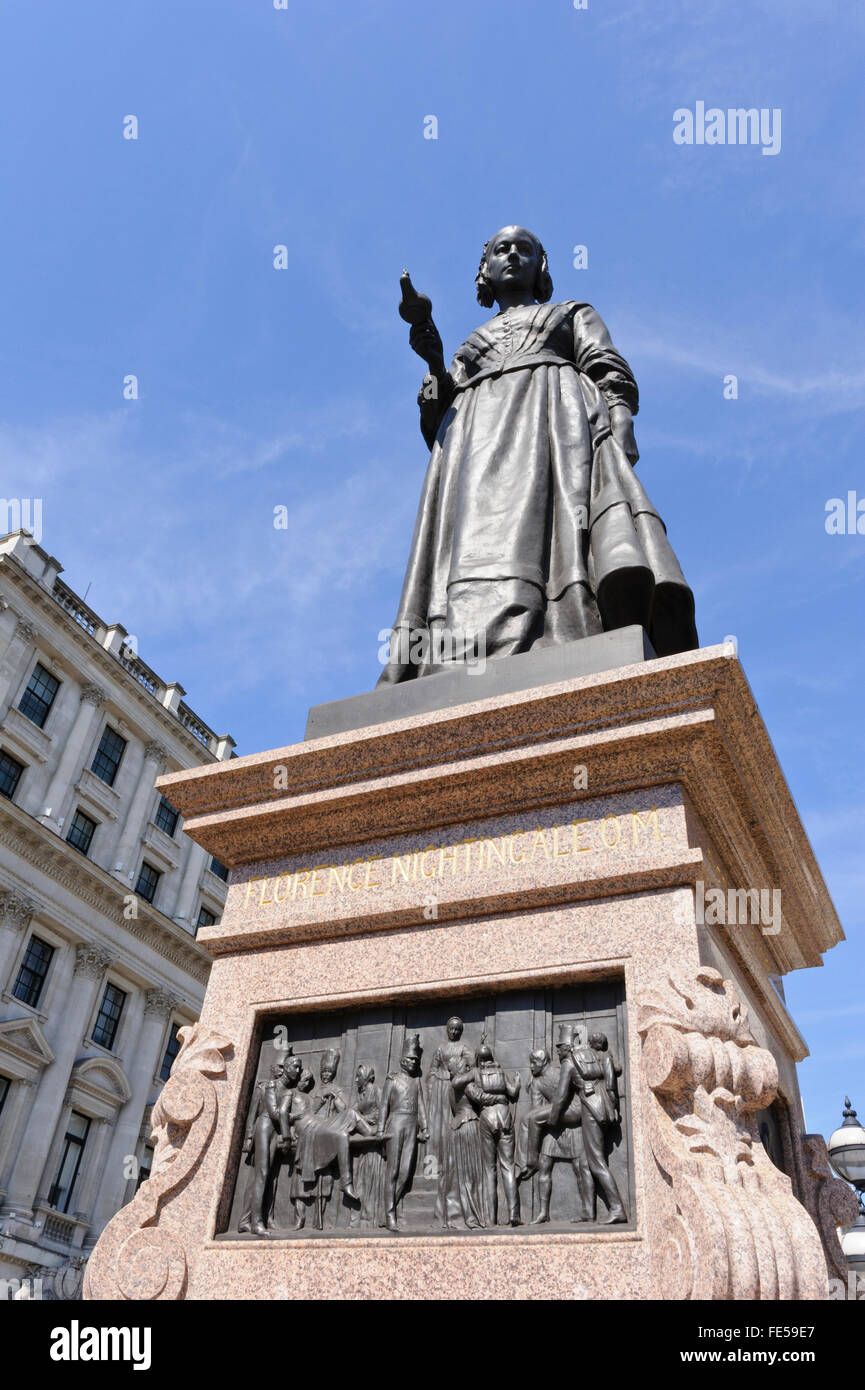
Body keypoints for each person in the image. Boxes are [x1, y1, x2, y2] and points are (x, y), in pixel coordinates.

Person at [378, 226, 697, 685]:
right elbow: (437, 428)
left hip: (553, 424)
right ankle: (460, 649)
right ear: (484, 270)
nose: (511, 256)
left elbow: (606, 366)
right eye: (500, 250)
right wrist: (434, 363)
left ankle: (557, 626)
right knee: (473, 544)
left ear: (540, 265)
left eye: (523, 250)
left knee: (552, 533)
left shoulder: (571, 313)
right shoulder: (471, 345)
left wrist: (621, 420)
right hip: (476, 441)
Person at [520, 1048, 593, 1224]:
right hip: (554, 1126)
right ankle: (543, 1212)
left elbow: (575, 1090)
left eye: (534, 1063)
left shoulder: (562, 1070)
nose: (531, 1067)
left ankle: (589, 1212)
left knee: (580, 1167)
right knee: (544, 1166)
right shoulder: (536, 1083)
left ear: (544, 1061)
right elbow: (537, 1108)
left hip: (572, 1121)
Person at [453, 1037, 521, 1226]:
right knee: (508, 1166)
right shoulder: (500, 1071)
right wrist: (516, 1081)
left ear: (478, 1058)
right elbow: (513, 1092)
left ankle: (491, 1219)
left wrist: (473, 1087)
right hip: (505, 1116)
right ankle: (514, 1213)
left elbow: (456, 1082)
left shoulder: (475, 1071)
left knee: (489, 1170)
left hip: (487, 1117)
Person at [239, 1055, 300, 1237]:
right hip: (265, 1126)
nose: (297, 1071)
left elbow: (280, 1115)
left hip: (274, 1131)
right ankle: (257, 1223)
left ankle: (244, 1221)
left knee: (260, 1176)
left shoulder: (287, 1090)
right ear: (287, 1067)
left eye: (299, 1068)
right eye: (295, 1067)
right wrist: (292, 1119)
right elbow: (274, 1112)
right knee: (263, 1173)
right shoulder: (272, 1086)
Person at [377, 1033, 429, 1231]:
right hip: (396, 1124)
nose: (413, 1063)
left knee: (405, 1172)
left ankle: (388, 1208)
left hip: (411, 1126)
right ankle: (390, 1215)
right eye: (410, 1059)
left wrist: (424, 1127)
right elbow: (383, 1106)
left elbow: (421, 1106)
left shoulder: (416, 1082)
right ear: (402, 1060)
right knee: (392, 1170)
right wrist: (381, 1129)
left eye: (416, 1060)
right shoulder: (392, 1079)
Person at [427, 1016, 474, 1227]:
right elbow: (431, 1070)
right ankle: (433, 1165)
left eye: (457, 1029)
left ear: (460, 1031)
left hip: (457, 1093)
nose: (453, 1032)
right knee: (438, 1129)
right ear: (447, 1029)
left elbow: (473, 1067)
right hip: (440, 1092)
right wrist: (435, 1082)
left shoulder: (464, 1048)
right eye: (451, 1029)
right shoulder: (440, 1048)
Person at [442, 1054, 485, 1229]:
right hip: (468, 1127)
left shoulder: (451, 1088)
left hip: (457, 1127)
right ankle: (472, 1217)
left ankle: (458, 1216)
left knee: (459, 1175)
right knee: (471, 1174)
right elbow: (480, 1098)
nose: (468, 1068)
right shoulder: (465, 1084)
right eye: (465, 1066)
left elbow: (454, 1109)